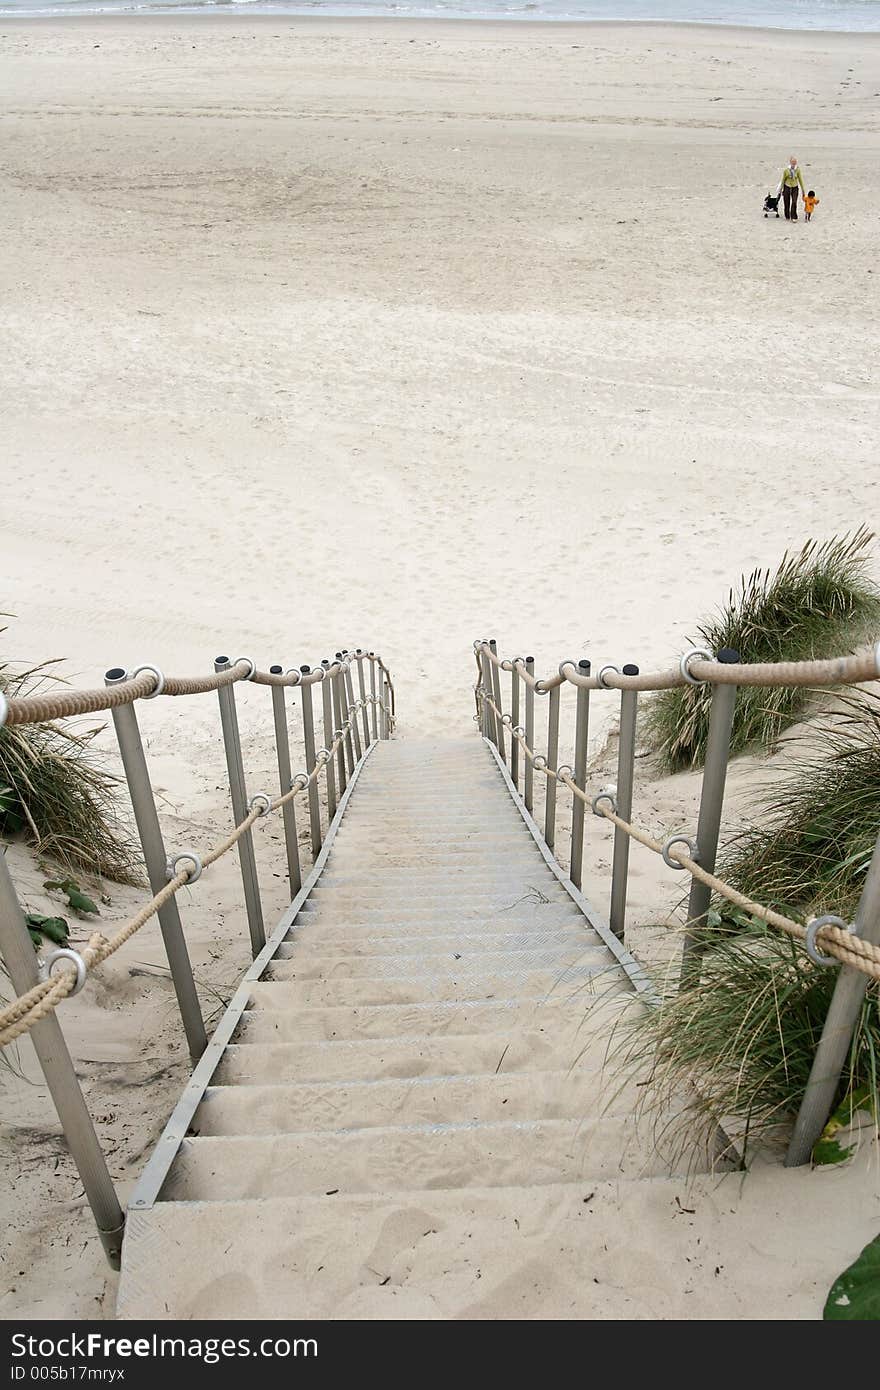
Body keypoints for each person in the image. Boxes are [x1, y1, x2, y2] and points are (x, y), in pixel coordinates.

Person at [780, 156, 806, 221]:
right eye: (792, 162)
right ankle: (787, 215)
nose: (794, 163)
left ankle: (794, 216)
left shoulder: (798, 170)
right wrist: (781, 189)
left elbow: (800, 180)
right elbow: (783, 179)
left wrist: (803, 189)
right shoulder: (786, 170)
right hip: (787, 187)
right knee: (786, 202)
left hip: (795, 187)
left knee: (794, 202)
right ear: (790, 162)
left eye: (795, 162)